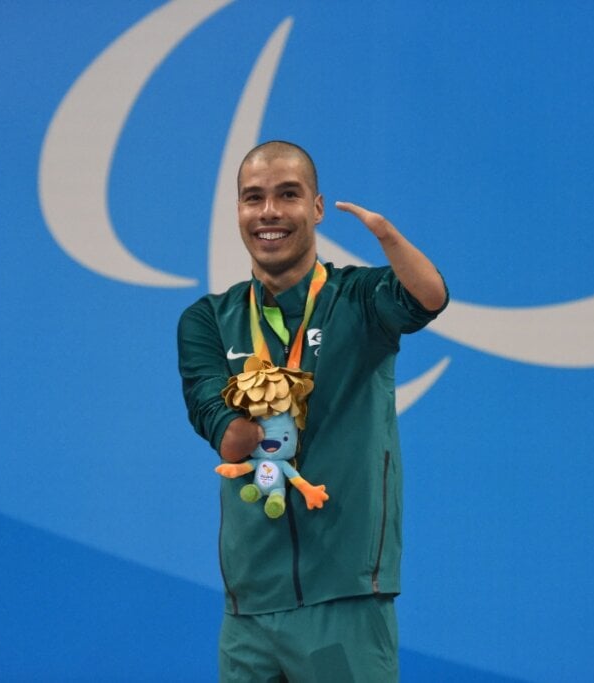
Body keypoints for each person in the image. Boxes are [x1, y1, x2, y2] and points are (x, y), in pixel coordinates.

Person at [178, 140, 447, 681]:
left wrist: (389, 241)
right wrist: (253, 409)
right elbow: (219, 427)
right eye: (253, 198)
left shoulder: (358, 299)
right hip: (249, 605)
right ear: (238, 212)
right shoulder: (208, 319)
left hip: (344, 593)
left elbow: (427, 299)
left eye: (288, 195)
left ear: (317, 208)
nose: (269, 212)